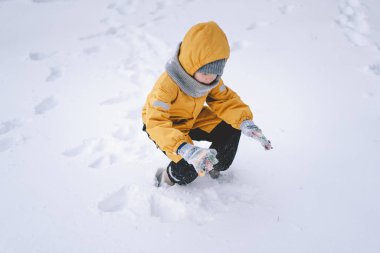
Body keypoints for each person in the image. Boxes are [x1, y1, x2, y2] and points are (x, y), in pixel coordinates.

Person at [142, 21, 272, 187]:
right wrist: (184, 148)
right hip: (164, 127)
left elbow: (225, 100)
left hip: (192, 118)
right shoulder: (166, 86)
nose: (211, 79)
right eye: (205, 72)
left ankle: (215, 164)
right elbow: (156, 122)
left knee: (231, 127)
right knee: (189, 165)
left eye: (217, 72)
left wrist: (245, 121)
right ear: (190, 65)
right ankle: (168, 178)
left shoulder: (209, 80)